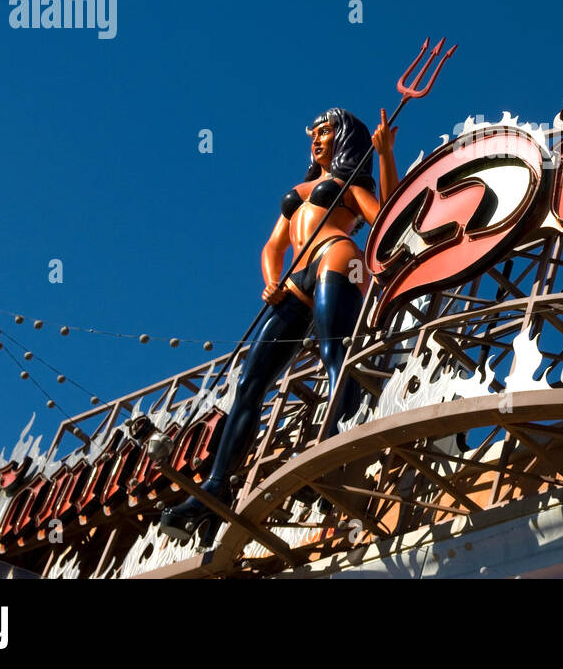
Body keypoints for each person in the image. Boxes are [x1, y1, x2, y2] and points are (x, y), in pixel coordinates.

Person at [159, 107, 397, 541]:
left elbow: (387, 219)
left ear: (343, 138)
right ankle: (217, 485)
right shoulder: (298, 190)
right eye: (314, 133)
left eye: (325, 132)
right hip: (293, 282)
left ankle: (335, 449)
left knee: (334, 353)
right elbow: (272, 246)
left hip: (338, 256)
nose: (316, 139)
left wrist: (383, 155)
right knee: (251, 381)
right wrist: (271, 282)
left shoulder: (350, 182)